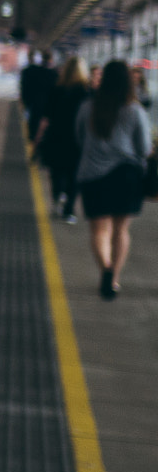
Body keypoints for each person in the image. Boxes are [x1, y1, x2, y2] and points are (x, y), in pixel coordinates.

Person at [74, 59, 149, 299]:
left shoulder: (88, 107)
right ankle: (113, 279)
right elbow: (144, 148)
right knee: (121, 229)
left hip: (93, 175)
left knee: (99, 229)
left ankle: (105, 268)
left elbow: (78, 137)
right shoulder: (135, 110)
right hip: (126, 176)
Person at [35, 56, 91, 225]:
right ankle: (69, 211)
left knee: (56, 172)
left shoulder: (56, 90)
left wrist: (37, 137)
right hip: (77, 140)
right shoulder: (86, 92)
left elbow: (45, 117)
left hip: (55, 137)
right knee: (75, 175)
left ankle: (57, 198)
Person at [20, 51, 57, 145]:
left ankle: (33, 141)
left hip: (35, 104)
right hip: (49, 105)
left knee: (34, 122)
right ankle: (38, 142)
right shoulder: (54, 74)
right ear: (51, 60)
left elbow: (26, 88)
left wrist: (26, 101)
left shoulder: (33, 71)